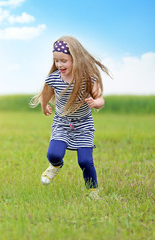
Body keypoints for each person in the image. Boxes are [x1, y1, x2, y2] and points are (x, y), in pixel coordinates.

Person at [31, 36, 112, 199]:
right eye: (56, 61)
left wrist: (96, 103)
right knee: (53, 154)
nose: (59, 65)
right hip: (62, 124)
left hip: (83, 126)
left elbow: (101, 99)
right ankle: (55, 166)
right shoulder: (54, 78)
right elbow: (46, 94)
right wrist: (44, 105)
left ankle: (93, 192)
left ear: (76, 59)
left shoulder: (87, 78)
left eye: (63, 61)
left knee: (85, 161)